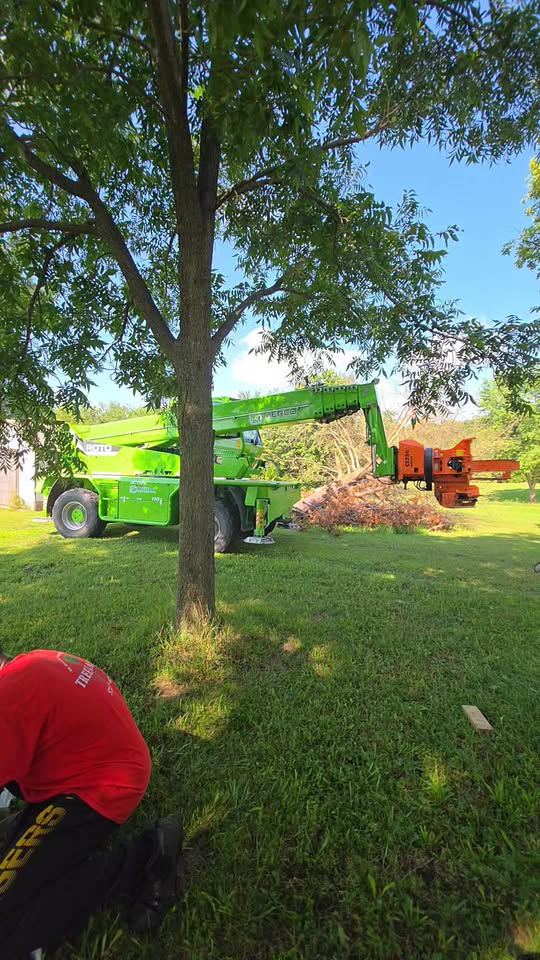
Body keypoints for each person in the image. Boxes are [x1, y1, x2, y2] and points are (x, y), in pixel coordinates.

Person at [0, 647, 183, 959]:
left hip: (99, 789)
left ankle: (146, 855)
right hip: (99, 769)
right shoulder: (29, 664)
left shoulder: (9, 697)